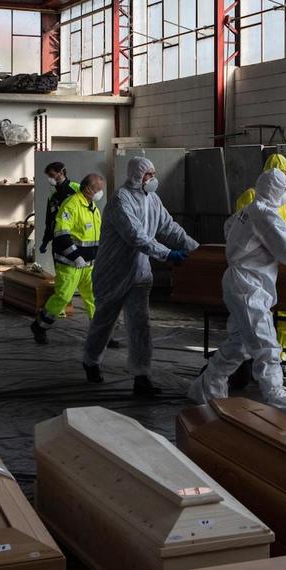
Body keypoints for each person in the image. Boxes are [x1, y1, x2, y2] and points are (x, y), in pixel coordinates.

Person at [188, 168, 286, 418]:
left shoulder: (247, 210)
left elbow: (228, 228)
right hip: (250, 287)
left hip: (239, 282)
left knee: (239, 343)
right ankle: (275, 397)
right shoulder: (267, 216)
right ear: (277, 190)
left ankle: (205, 386)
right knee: (266, 343)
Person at [82, 156, 198, 397]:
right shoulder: (120, 201)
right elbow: (136, 237)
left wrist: (196, 249)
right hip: (113, 271)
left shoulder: (153, 200)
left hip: (140, 274)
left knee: (140, 324)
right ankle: (91, 360)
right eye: (148, 175)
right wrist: (167, 254)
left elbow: (169, 227)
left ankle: (141, 375)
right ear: (136, 175)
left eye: (153, 174)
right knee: (105, 321)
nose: (152, 179)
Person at [233, 153, 286, 353]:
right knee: (255, 317)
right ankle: (254, 358)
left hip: (284, 266)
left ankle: (278, 353)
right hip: (258, 269)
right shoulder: (252, 198)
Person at [30, 173, 105, 344]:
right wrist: (76, 256)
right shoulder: (71, 205)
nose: (100, 192)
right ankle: (39, 325)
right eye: (98, 189)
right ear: (87, 189)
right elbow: (61, 235)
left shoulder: (92, 207)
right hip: (71, 264)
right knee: (63, 297)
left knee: (94, 298)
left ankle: (101, 333)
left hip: (89, 265)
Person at [40, 162, 79, 255]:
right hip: (58, 241)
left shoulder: (77, 189)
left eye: (52, 175)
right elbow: (49, 220)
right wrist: (45, 241)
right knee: (60, 267)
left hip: (75, 238)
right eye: (49, 176)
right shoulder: (53, 196)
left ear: (61, 173)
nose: (50, 178)